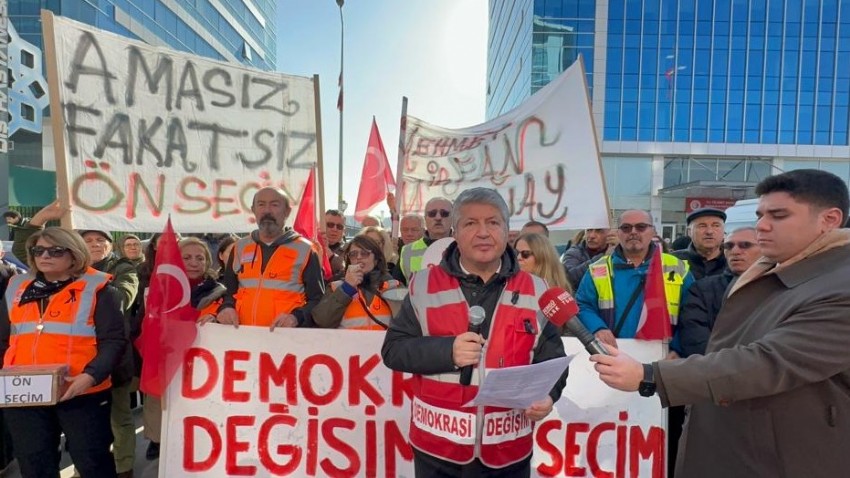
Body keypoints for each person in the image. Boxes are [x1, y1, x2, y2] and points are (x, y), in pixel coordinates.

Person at [591, 169, 850, 477]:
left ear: (830, 220)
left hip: (786, 457)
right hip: (738, 445)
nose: (761, 226)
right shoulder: (771, 270)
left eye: (779, 215)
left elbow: (767, 362)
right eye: (760, 214)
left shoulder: (839, 286)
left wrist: (650, 375)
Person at [382, 188, 567, 477]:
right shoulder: (424, 284)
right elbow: (393, 350)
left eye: (493, 222)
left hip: (508, 454)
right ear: (455, 232)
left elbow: (553, 361)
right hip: (438, 452)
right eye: (471, 223)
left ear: (507, 232)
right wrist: (447, 352)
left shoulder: (537, 289)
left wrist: (549, 396)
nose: (483, 232)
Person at [14, 202, 140, 477]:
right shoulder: (17, 287)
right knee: (34, 463)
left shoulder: (102, 289)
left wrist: (90, 377)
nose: (44, 256)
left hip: (82, 391)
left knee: (92, 462)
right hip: (25, 393)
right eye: (38, 251)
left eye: (55, 251)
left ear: (74, 256)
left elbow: (114, 341)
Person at [141, 238, 226, 457]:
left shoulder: (220, 292)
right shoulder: (158, 290)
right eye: (186, 257)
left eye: (200, 257)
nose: (194, 262)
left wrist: (216, 318)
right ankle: (159, 441)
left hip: (203, 368)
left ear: (208, 262)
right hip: (167, 364)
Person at [575, 210, 693, 350]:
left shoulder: (678, 268)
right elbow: (582, 305)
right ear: (618, 233)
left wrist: (678, 349)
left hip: (664, 358)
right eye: (626, 228)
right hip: (613, 353)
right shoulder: (597, 269)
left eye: (641, 227)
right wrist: (597, 327)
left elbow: (692, 315)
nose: (633, 232)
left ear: (653, 232)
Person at [217, 187, 324, 329]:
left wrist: (297, 317)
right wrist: (226, 307)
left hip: (284, 341)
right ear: (253, 210)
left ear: (287, 211)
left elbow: (317, 301)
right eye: (261, 204)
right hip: (243, 338)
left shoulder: (306, 250)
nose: (267, 210)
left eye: (274, 204)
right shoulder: (239, 247)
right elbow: (229, 292)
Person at [678, 227, 761, 357]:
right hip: (714, 368)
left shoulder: (779, 287)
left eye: (745, 245)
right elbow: (694, 338)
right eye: (728, 246)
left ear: (764, 249)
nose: (735, 251)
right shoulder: (702, 289)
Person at [313, 235, 403, 330]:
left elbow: (408, 324)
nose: (359, 257)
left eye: (364, 253)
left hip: (385, 345)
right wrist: (347, 289)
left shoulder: (393, 286)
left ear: (376, 259)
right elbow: (322, 322)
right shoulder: (336, 287)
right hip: (348, 344)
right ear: (349, 261)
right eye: (353, 254)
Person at [394, 197, 453, 285]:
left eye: (444, 213)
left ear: (453, 218)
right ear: (425, 219)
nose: (438, 217)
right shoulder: (407, 251)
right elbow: (399, 289)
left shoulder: (465, 247)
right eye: (432, 213)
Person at [672, 208, 727, 280]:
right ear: (689, 232)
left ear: (724, 231)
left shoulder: (734, 261)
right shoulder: (673, 261)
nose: (709, 231)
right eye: (702, 226)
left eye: (716, 225)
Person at [325, 209, 347, 281]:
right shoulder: (312, 247)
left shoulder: (350, 250)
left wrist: (331, 257)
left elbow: (347, 272)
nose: (334, 229)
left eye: (339, 226)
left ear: (344, 231)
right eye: (330, 225)